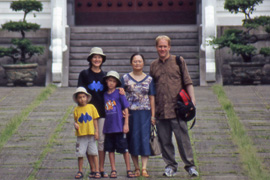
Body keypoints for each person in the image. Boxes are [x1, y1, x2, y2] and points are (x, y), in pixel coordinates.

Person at [149, 35, 199, 177]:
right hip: (161, 110)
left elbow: (188, 82)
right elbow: (151, 89)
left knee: (183, 140)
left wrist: (192, 102)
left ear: (169, 47)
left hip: (178, 109)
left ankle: (190, 165)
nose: (162, 49)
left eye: (165, 46)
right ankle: (170, 166)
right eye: (160, 46)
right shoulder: (153, 65)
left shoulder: (178, 61)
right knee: (165, 141)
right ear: (156, 48)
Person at [121, 53, 155, 177]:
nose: (137, 63)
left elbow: (152, 98)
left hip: (145, 113)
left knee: (145, 139)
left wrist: (153, 115)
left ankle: (144, 168)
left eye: (139, 61)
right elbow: (121, 95)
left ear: (143, 63)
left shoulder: (149, 79)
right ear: (131, 63)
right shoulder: (125, 78)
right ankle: (136, 168)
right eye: (135, 61)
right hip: (131, 114)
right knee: (133, 140)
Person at [77, 47, 109, 178]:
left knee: (101, 140)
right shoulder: (84, 74)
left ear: (102, 60)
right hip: (87, 113)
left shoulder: (105, 76)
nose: (97, 59)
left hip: (102, 111)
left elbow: (110, 92)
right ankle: (93, 168)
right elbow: (79, 92)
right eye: (94, 57)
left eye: (99, 57)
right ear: (90, 59)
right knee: (88, 140)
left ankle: (101, 167)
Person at [102, 71, 135, 178]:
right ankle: (113, 169)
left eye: (114, 81)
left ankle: (128, 169)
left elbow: (126, 108)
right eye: (109, 81)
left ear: (117, 83)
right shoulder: (104, 95)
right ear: (106, 81)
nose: (111, 83)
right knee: (110, 149)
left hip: (119, 127)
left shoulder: (119, 93)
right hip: (108, 127)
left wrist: (126, 124)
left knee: (125, 149)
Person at [72, 87, 100, 179]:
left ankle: (97, 170)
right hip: (81, 135)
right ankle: (80, 170)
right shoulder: (76, 109)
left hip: (91, 134)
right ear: (77, 99)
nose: (82, 99)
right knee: (80, 153)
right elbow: (76, 120)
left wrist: (97, 131)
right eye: (80, 97)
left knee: (94, 152)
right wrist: (75, 125)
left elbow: (95, 119)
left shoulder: (91, 107)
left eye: (84, 97)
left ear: (87, 97)